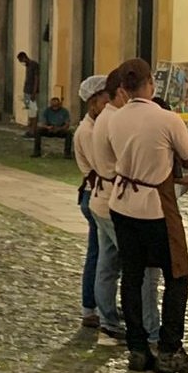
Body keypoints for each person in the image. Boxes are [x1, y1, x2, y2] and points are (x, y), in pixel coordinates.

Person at [106, 58, 188, 373]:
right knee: (177, 274)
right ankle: (168, 347)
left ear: (124, 88)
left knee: (133, 275)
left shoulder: (114, 119)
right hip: (155, 206)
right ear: (150, 83)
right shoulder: (167, 119)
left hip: (123, 204)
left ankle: (137, 348)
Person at [88, 68, 161, 350]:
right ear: (121, 92)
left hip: (103, 197)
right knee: (138, 268)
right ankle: (143, 327)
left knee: (108, 262)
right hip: (113, 201)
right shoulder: (115, 119)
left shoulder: (104, 118)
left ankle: (108, 318)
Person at [73, 75, 109, 329]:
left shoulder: (96, 127)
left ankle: (98, 303)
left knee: (102, 253)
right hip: (93, 193)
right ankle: (90, 306)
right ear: (94, 101)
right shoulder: (88, 131)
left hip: (94, 192)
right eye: (106, 100)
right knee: (98, 254)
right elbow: (100, 165)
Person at [17, 51, 40, 136]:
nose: (21, 62)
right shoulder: (27, 66)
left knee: (33, 111)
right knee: (30, 111)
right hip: (26, 90)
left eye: (21, 60)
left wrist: (34, 92)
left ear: (24, 57)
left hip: (31, 91)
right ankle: (30, 129)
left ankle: (33, 130)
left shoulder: (34, 65)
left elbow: (36, 78)